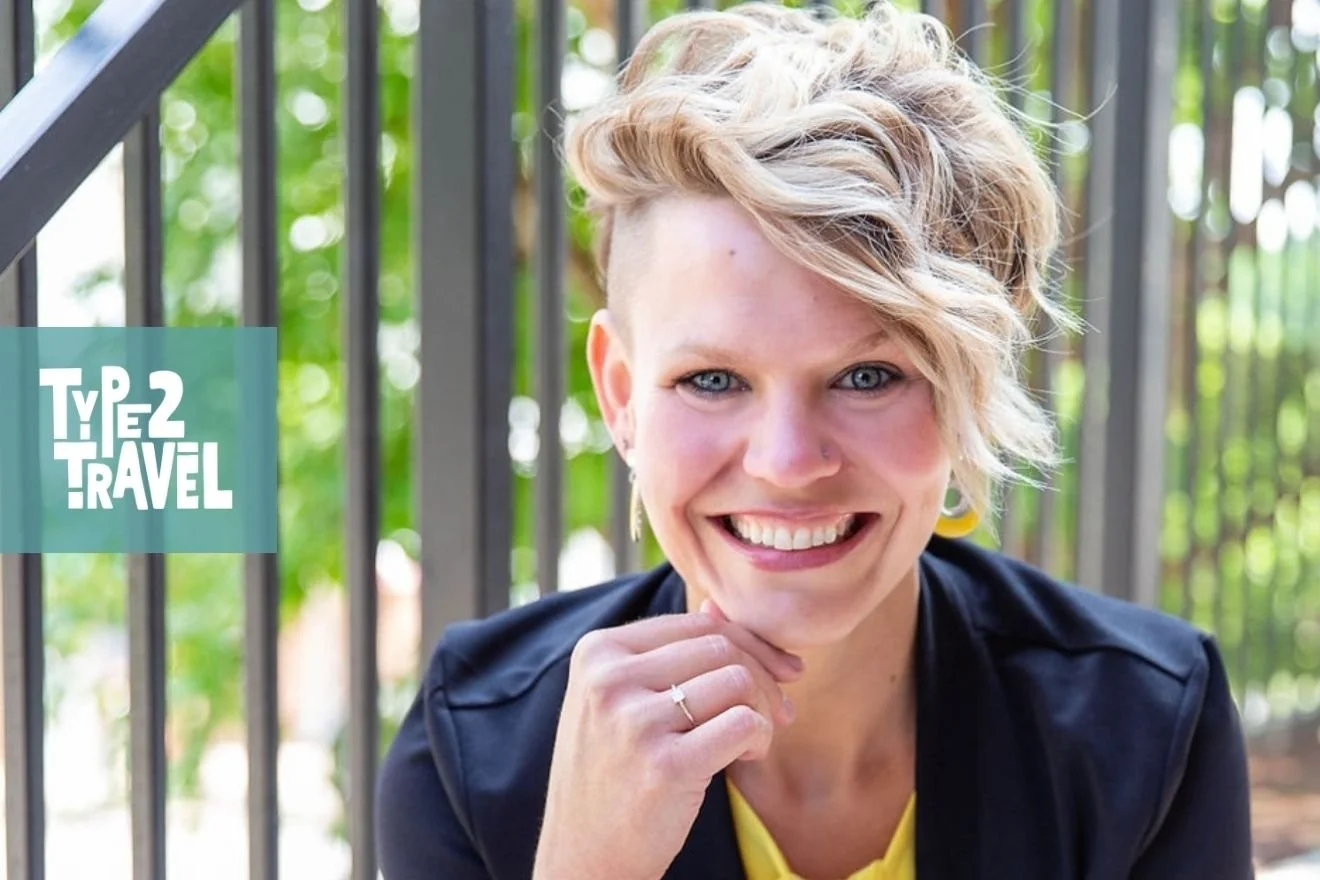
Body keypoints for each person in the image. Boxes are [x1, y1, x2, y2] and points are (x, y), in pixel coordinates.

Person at [375, 3, 1254, 878]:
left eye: (868, 376)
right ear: (619, 393)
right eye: (712, 380)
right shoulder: (472, 750)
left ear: (966, 385)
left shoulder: (1147, 725)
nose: (788, 462)